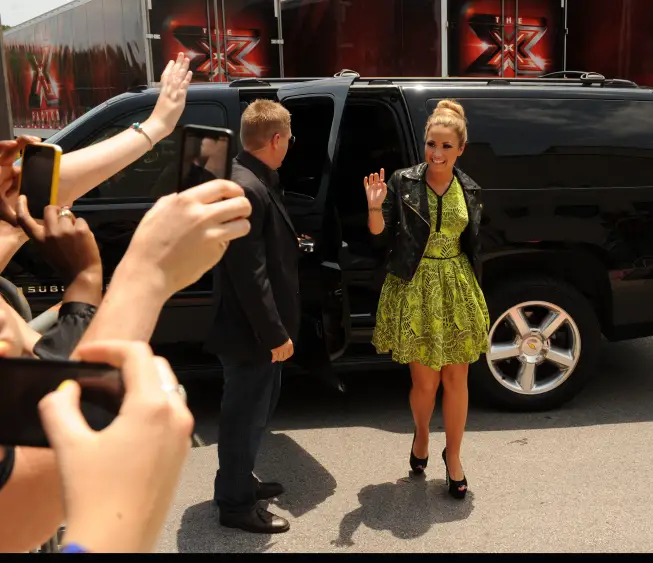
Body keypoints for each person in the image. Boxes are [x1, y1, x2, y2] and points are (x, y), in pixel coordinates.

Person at [364, 99, 489, 499]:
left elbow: (473, 243)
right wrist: (374, 207)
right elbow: (379, 232)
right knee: (425, 383)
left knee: (456, 378)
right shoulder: (403, 181)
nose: (436, 152)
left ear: (460, 149)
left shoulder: (470, 188)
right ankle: (421, 435)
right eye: (431, 144)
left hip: (456, 284)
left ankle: (454, 457)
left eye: (446, 146)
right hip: (415, 286)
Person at [205, 99, 299, 534]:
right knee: (243, 419)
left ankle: (238, 481)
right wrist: (274, 334)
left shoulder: (248, 176)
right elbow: (249, 274)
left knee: (253, 415)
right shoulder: (246, 186)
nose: (291, 144)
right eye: (290, 137)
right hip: (250, 334)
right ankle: (235, 506)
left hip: (251, 331)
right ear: (276, 139)